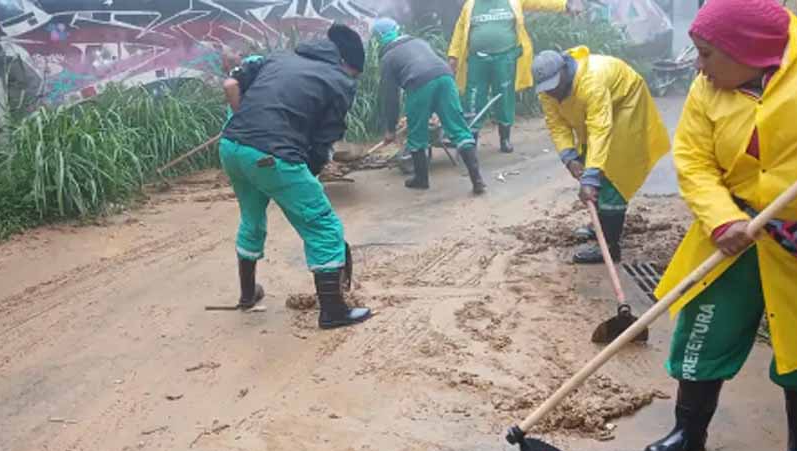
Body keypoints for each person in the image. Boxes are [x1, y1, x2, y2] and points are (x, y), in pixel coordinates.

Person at [642, 0, 797, 451]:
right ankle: (689, 430)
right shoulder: (707, 90)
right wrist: (722, 219)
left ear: (749, 49)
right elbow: (694, 159)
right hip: (734, 236)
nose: (698, 66)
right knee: (704, 330)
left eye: (706, 54)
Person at [220, 24, 371, 329]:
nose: (351, 79)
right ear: (346, 64)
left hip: (231, 146)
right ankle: (332, 311)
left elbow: (230, 85)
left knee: (251, 216)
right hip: (271, 155)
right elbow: (324, 139)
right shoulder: (340, 81)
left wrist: (248, 128)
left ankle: (248, 295)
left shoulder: (279, 58)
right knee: (322, 224)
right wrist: (308, 176)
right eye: (354, 73)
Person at [533, 48, 670, 264]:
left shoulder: (591, 82)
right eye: (546, 89)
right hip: (600, 113)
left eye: (554, 87)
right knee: (588, 158)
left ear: (564, 72)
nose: (551, 94)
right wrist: (569, 158)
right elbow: (556, 124)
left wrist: (591, 177)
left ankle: (610, 246)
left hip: (626, 104)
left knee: (611, 173)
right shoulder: (548, 91)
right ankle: (602, 224)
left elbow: (599, 128)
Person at [447, 0, 579, 153]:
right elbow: (460, 29)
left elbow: (540, 2)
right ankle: (471, 139)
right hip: (477, 59)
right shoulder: (471, 4)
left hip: (505, 58)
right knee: (473, 97)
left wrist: (565, 5)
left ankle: (505, 138)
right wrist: (453, 55)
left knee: (505, 97)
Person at [372, 17, 486, 195]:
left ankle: (421, 179)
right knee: (458, 128)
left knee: (417, 133)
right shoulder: (419, 41)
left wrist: (390, 129)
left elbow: (390, 97)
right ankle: (477, 179)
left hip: (418, 82)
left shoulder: (387, 58)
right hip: (445, 77)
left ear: (377, 38)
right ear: (397, 30)